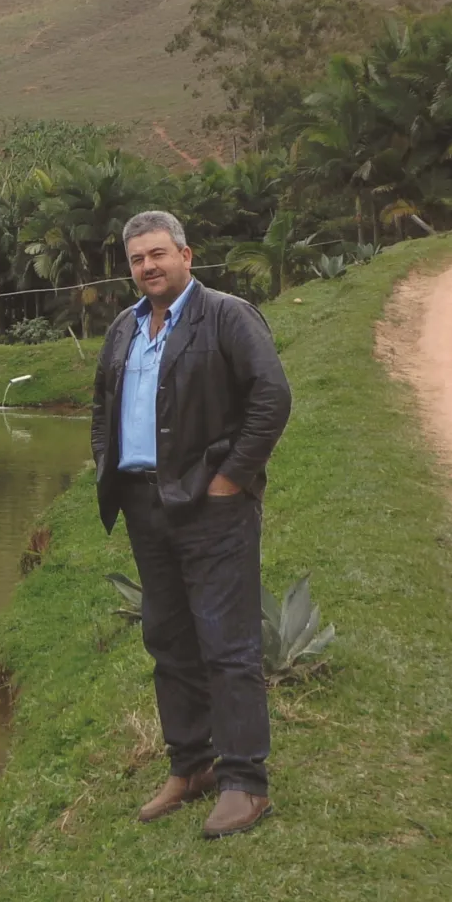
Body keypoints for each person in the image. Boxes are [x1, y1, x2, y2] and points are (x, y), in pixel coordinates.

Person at [90, 210, 293, 838]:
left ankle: (244, 782)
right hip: (145, 506)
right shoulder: (126, 327)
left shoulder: (228, 316)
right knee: (169, 639)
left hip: (213, 506)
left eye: (158, 254)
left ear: (186, 254)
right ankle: (190, 765)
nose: (148, 267)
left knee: (227, 644)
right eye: (137, 260)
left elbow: (271, 398)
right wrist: (109, 466)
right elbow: (102, 404)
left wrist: (230, 478)